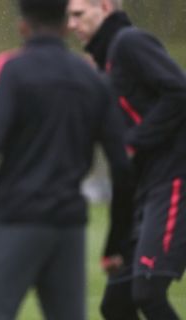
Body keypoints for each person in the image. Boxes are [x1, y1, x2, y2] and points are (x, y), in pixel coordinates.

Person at [0, 0, 133, 318]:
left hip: (16, 218)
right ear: (65, 25)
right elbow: (121, 164)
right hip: (68, 224)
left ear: (23, 26)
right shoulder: (91, 78)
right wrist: (115, 243)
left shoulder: (13, 70)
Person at [68, 1, 186, 319]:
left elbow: (179, 92)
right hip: (145, 189)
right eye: (68, 16)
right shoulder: (105, 63)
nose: (71, 24)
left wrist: (133, 143)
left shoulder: (128, 42)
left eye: (78, 14)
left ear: (105, 7)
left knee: (148, 291)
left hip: (174, 179)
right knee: (116, 305)